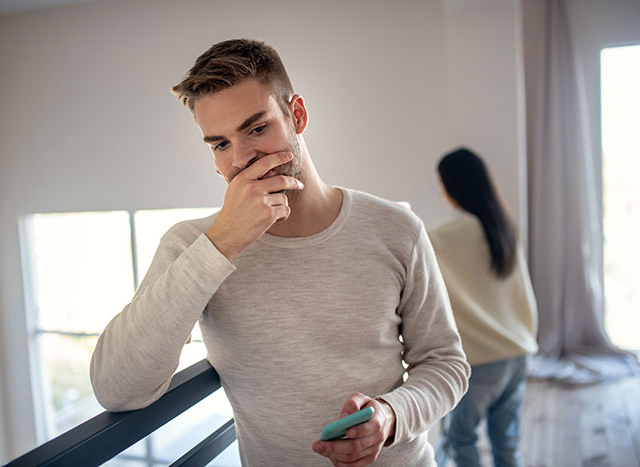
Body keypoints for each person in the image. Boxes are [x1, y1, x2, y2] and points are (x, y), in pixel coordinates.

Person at [90, 39, 469, 467]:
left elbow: (446, 365)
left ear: (297, 116)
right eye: (220, 145)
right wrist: (223, 242)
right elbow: (117, 389)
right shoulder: (193, 245)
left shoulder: (397, 229)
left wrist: (390, 414)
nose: (242, 158)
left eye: (256, 129)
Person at [427, 148, 538, 467]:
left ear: (452, 186)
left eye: (441, 183)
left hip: (478, 362)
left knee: (461, 440)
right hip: (517, 354)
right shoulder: (502, 228)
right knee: (507, 441)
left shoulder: (440, 239)